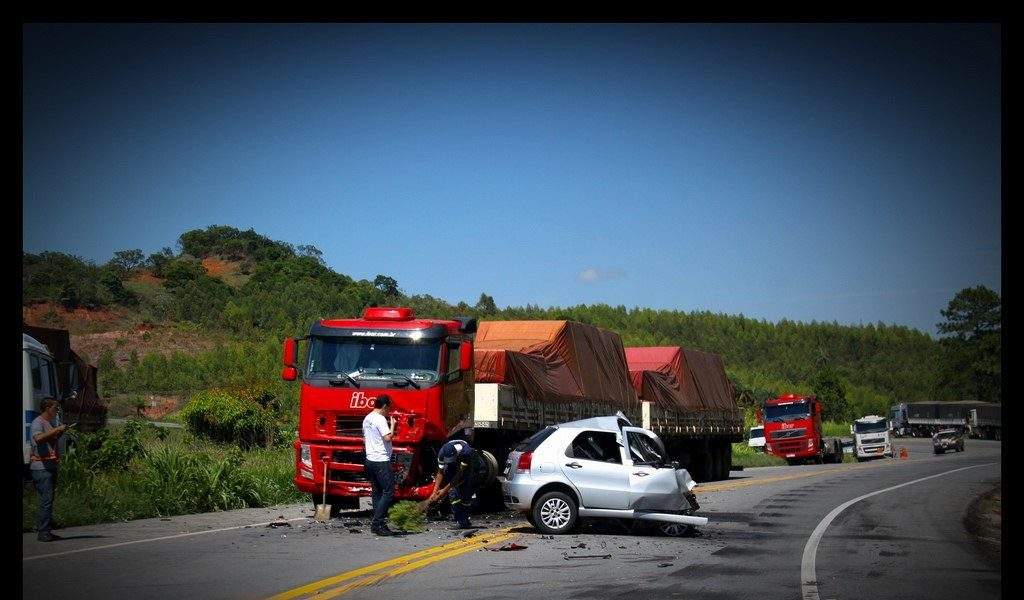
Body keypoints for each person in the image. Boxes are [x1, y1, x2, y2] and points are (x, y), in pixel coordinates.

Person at [425, 439, 488, 529]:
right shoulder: (442, 453)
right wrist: (434, 492)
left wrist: (444, 491)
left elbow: (460, 475)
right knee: (453, 494)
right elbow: (440, 472)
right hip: (455, 466)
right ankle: (460, 520)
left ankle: (464, 519)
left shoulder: (466, 452)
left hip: (470, 467)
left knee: (465, 492)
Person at [30, 398, 68, 542]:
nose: (57, 411)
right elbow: (38, 439)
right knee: (46, 500)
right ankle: (43, 531)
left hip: (50, 466)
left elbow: (51, 440)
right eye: (55, 408)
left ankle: (46, 528)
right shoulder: (38, 423)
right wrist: (57, 429)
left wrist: (59, 431)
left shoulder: (50, 423)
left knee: (47, 500)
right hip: (41, 468)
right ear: (47, 408)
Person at [362, 394, 397, 536]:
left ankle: (380, 524)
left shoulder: (367, 418)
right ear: (384, 406)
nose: (389, 412)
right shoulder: (380, 419)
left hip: (370, 459)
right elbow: (387, 437)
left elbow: (364, 439)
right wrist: (393, 425)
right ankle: (377, 522)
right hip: (381, 460)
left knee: (377, 491)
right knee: (389, 491)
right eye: (388, 409)